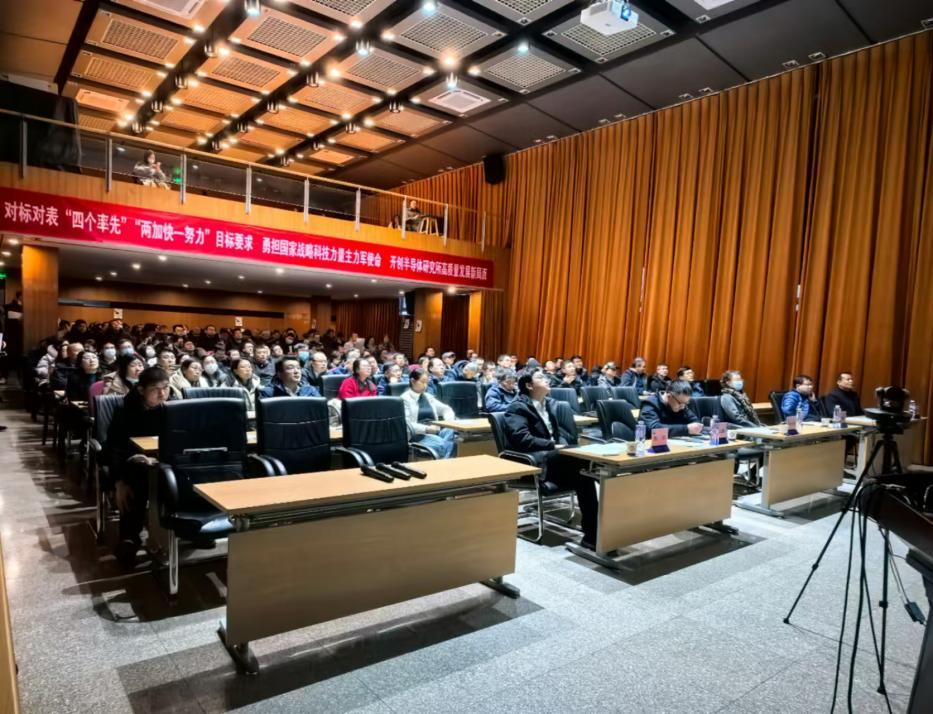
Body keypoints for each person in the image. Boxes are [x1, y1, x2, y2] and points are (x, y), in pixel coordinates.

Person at [502, 371, 598, 548]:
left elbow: (557, 434)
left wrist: (560, 446)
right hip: (536, 462)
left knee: (585, 474)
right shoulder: (517, 407)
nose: (546, 379)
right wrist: (554, 445)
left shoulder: (549, 404)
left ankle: (594, 534)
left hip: (554, 459)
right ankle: (594, 532)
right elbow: (522, 439)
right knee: (584, 463)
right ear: (529, 386)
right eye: (540, 378)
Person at [106, 367, 170, 568]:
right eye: (155, 389)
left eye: (166, 388)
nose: (162, 393)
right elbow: (114, 448)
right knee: (137, 478)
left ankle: (186, 530)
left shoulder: (171, 407)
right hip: (130, 464)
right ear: (141, 390)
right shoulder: (125, 410)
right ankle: (130, 538)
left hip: (163, 461)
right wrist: (119, 482)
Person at [400, 368, 458, 459]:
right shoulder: (404, 399)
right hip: (419, 435)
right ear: (413, 381)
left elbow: (446, 409)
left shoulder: (428, 397)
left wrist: (448, 422)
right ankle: (447, 461)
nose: (425, 385)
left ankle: (445, 457)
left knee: (454, 434)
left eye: (427, 382)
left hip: (436, 431)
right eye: (423, 382)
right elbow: (406, 424)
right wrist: (427, 429)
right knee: (443, 445)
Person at [639, 380, 703, 437]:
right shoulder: (650, 404)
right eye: (680, 403)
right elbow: (653, 429)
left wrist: (696, 427)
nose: (683, 407)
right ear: (669, 396)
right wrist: (686, 429)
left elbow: (695, 422)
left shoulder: (682, 404)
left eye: (686, 403)